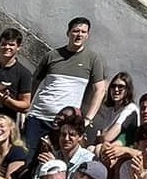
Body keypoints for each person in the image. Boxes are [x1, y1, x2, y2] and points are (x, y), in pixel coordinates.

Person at [26, 18, 110, 161]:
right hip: (38, 117)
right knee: (27, 159)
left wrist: (88, 119)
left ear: (87, 35)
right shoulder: (52, 56)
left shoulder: (93, 59)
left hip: (66, 125)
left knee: (57, 163)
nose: (79, 35)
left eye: (83, 32)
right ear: (68, 33)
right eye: (75, 31)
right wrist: (27, 109)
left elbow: (100, 90)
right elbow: (34, 82)